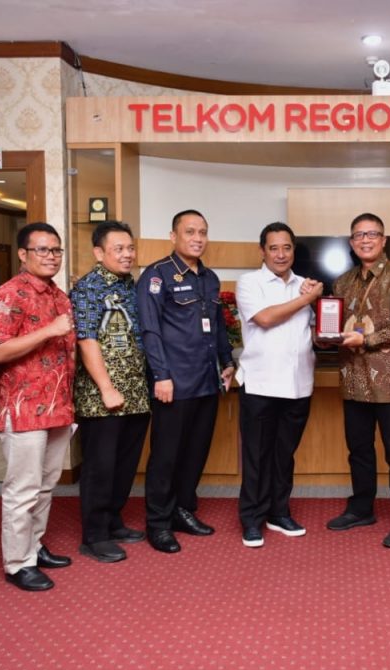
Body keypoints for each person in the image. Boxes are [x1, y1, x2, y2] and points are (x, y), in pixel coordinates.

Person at [325, 212, 390, 549]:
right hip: (352, 379)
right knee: (358, 450)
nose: (365, 240)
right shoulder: (342, 282)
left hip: (389, 381)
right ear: (351, 242)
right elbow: (335, 326)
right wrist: (325, 337)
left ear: (384, 240)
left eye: (372, 234)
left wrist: (366, 340)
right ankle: (361, 508)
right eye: (359, 235)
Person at [136, 210, 235, 553]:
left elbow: (217, 327)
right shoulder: (157, 275)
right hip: (174, 384)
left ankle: (182, 510)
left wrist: (227, 362)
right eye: (190, 231)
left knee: (195, 452)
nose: (197, 238)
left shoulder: (209, 278)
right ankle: (158, 523)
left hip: (206, 380)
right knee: (166, 456)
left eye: (203, 232)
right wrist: (161, 375)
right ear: (173, 236)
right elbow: (150, 330)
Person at [0, 223, 76, 590]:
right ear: (23, 254)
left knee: (45, 484)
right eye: (42, 250)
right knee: (22, 489)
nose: (51, 257)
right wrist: (49, 330)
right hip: (23, 408)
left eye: (56, 250)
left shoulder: (59, 295)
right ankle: (17, 563)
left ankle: (34, 548)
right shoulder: (9, 294)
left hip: (57, 405)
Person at [235, 222, 323, 548]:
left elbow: (313, 332)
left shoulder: (305, 285)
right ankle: (251, 518)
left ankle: (279, 512)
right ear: (263, 251)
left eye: (287, 248)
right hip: (261, 384)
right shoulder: (250, 283)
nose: (281, 254)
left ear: (293, 250)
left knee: (284, 455)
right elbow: (266, 318)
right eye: (274, 248)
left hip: (298, 384)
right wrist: (308, 299)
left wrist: (327, 331)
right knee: (257, 456)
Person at [71, 221, 150, 563]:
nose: (127, 254)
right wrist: (106, 388)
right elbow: (86, 340)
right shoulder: (88, 287)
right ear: (99, 253)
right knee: (100, 467)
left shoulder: (130, 284)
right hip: (103, 397)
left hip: (136, 392)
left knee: (124, 465)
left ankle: (113, 521)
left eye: (130, 248)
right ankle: (94, 535)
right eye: (119, 249)